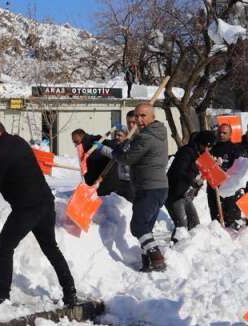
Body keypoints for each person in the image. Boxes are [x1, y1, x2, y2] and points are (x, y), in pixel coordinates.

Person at [0, 118, 76, 305]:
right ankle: (70, 291)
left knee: (4, 247)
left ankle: (2, 293)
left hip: (26, 209)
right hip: (46, 202)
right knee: (50, 247)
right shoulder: (19, 141)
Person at [107, 102, 170, 271]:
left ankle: (157, 258)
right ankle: (147, 262)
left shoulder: (146, 137)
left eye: (143, 116)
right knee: (146, 228)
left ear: (152, 117)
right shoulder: (158, 133)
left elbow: (126, 159)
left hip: (149, 187)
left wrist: (119, 148)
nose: (139, 120)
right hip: (156, 187)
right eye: (137, 116)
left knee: (138, 226)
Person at [165, 131, 214, 240]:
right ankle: (175, 250)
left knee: (195, 224)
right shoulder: (186, 152)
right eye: (205, 146)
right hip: (174, 193)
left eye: (209, 147)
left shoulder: (201, 154)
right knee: (181, 225)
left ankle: (191, 248)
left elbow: (204, 173)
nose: (207, 149)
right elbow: (179, 171)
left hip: (185, 195)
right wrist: (192, 181)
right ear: (199, 143)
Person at [73, 128, 132, 201]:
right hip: (98, 181)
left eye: (76, 141)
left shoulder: (95, 141)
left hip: (107, 181)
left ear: (82, 136)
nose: (75, 145)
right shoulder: (83, 147)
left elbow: (112, 148)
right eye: (74, 142)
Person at [206, 122, 244, 227]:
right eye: (220, 132)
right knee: (215, 216)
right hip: (213, 186)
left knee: (230, 217)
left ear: (230, 134)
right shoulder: (212, 148)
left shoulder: (235, 149)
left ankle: (232, 237)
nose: (221, 135)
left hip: (228, 188)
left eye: (224, 133)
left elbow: (238, 169)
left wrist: (224, 168)